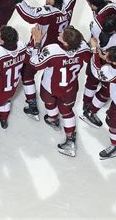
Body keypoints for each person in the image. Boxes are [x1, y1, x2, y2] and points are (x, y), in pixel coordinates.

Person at [4, 0, 77, 119]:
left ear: (52, 0)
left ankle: (32, 105)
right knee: (52, 73)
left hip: (43, 46)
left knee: (28, 72)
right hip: (61, 44)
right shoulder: (69, 0)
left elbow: (29, 14)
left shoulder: (46, 12)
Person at [29, 25, 91, 157]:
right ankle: (70, 141)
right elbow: (89, 58)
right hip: (70, 89)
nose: (60, 32)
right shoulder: (83, 47)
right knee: (68, 113)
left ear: (65, 42)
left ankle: (53, 119)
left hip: (50, 87)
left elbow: (35, 63)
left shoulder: (52, 50)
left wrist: (37, 42)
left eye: (62, 34)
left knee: (49, 103)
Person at [80, 0, 116, 127]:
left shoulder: (97, 27)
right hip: (107, 60)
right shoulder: (109, 7)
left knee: (92, 81)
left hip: (100, 59)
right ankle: (89, 107)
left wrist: (94, 49)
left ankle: (86, 105)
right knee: (105, 87)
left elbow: (94, 40)